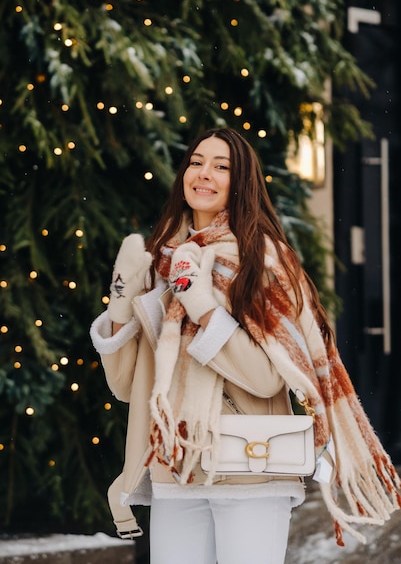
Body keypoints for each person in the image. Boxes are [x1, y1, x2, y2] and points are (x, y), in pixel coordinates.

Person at [90, 127, 401, 564]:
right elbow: (126, 386)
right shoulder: (164, 263)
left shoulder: (263, 260)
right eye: (197, 162)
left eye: (222, 167)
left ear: (242, 184)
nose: (204, 174)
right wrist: (122, 302)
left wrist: (198, 304)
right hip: (176, 466)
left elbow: (265, 376)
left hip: (250, 468)